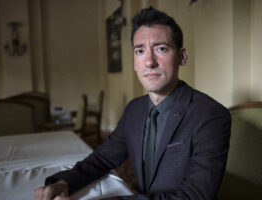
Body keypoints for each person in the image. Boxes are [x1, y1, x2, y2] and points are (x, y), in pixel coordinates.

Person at [34, 7, 231, 200]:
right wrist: (63, 183)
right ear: (135, 63)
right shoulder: (134, 110)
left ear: (182, 57)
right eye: (140, 51)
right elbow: (102, 159)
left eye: (161, 49)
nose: (149, 62)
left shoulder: (210, 115)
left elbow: (195, 196)